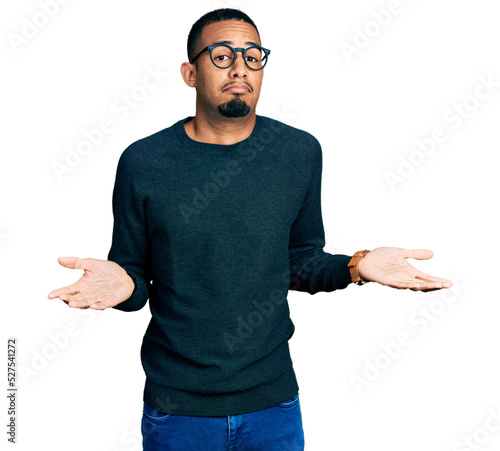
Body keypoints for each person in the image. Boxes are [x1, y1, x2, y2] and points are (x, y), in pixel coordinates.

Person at [47, 8, 452, 450]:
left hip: (273, 406)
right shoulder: (143, 162)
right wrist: (123, 285)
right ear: (190, 73)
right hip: (178, 410)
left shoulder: (298, 152)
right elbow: (135, 277)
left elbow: (299, 262)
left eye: (253, 56)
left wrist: (358, 266)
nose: (240, 67)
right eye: (221, 55)